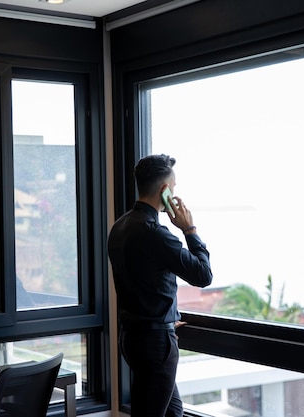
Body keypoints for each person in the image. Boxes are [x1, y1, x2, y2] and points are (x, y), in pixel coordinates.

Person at [108, 154, 213, 417]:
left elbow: (141, 283)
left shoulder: (120, 226)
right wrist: (189, 229)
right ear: (165, 190)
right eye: (174, 188)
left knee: (173, 412)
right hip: (155, 344)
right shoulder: (154, 233)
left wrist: (165, 319)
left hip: (134, 337)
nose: (175, 193)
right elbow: (202, 275)